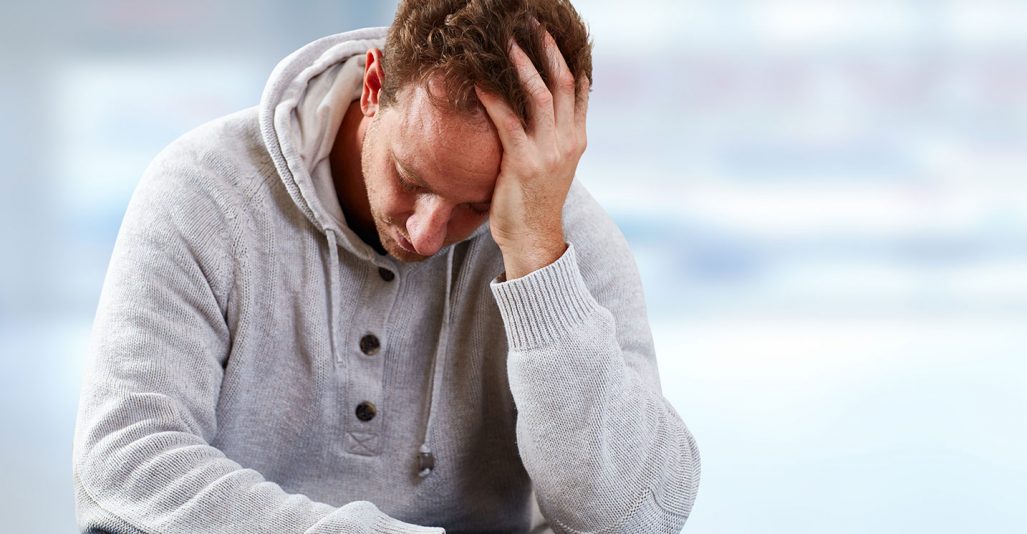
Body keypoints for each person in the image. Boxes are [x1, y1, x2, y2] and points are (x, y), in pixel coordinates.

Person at [72, 0, 700, 532]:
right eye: (410, 177)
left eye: (475, 206)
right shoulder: (203, 192)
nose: (426, 235)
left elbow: (637, 517)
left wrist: (536, 261)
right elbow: (122, 464)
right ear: (373, 87)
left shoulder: (561, 236)